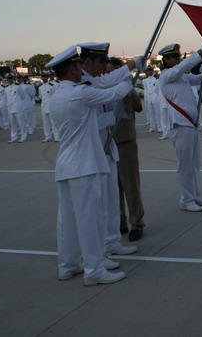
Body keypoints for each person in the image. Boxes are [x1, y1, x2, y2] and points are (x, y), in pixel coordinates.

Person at [46, 46, 132, 286]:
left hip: (66, 166)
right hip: (85, 166)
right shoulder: (79, 94)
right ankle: (94, 271)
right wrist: (131, 75)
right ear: (73, 68)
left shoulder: (57, 96)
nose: (81, 71)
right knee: (90, 220)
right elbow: (116, 92)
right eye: (79, 66)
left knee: (68, 221)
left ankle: (68, 265)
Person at [77, 42, 140, 257]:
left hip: (107, 147)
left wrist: (132, 66)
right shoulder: (82, 83)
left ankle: (112, 241)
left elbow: (109, 81)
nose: (103, 66)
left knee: (112, 198)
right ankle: (103, 247)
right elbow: (112, 90)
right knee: (102, 203)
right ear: (87, 61)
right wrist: (130, 75)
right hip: (95, 149)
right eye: (101, 61)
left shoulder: (93, 79)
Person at [158, 43, 202, 212]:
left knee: (194, 164)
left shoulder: (181, 77)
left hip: (190, 125)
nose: (177, 59)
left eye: (178, 57)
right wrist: (200, 52)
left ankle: (194, 196)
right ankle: (186, 200)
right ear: (166, 60)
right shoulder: (167, 76)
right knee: (185, 166)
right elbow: (183, 67)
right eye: (174, 57)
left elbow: (198, 80)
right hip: (180, 125)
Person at [106, 57, 146, 242]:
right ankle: (120, 221)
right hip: (109, 143)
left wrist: (130, 94)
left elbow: (138, 108)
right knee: (114, 189)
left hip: (125, 142)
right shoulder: (102, 89)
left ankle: (137, 222)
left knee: (131, 186)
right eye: (108, 72)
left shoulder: (127, 87)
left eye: (114, 71)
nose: (110, 74)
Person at [5, 73, 28, 143]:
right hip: (10, 108)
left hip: (18, 107)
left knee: (21, 123)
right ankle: (14, 137)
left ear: (13, 79)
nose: (9, 80)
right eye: (8, 78)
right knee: (12, 124)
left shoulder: (18, 87)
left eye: (11, 78)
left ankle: (23, 137)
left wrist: (18, 103)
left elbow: (23, 96)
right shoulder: (6, 88)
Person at [38, 71, 57, 143]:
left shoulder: (52, 86)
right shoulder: (40, 87)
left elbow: (55, 96)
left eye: (45, 77)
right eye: (42, 77)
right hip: (44, 106)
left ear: (48, 77)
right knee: (45, 123)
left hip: (51, 106)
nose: (43, 78)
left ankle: (57, 136)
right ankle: (47, 136)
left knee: (53, 122)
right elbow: (41, 97)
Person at [143, 66, 162, 133]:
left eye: (150, 70)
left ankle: (159, 127)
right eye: (147, 70)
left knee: (157, 113)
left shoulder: (156, 79)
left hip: (155, 97)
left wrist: (157, 96)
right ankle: (152, 127)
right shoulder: (144, 80)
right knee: (150, 113)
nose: (148, 72)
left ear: (152, 71)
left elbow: (158, 89)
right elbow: (146, 90)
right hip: (149, 98)